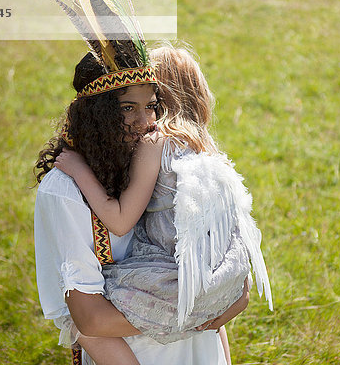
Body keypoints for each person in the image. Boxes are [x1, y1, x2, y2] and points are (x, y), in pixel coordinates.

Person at [53, 46, 273, 363]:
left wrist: (79, 169)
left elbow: (119, 221)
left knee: (86, 324)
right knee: (206, 325)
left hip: (170, 279)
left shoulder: (155, 143)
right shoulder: (205, 149)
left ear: (158, 96)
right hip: (215, 279)